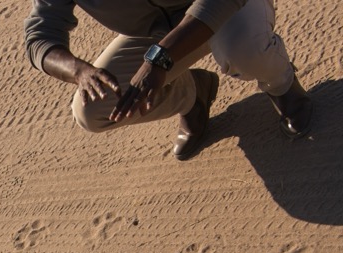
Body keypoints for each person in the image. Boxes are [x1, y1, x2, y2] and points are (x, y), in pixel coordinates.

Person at [24, 0, 313, 160]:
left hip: (229, 7)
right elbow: (39, 37)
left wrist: (160, 59)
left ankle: (283, 85)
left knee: (243, 49)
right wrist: (78, 71)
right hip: (160, 34)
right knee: (92, 110)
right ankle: (193, 94)